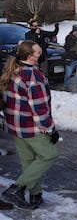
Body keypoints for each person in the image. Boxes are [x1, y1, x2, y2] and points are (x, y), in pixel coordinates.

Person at [0, 40, 59, 209]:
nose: (41, 55)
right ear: (30, 57)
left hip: (14, 125)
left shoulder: (14, 69)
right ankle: (16, 189)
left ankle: (35, 195)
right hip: (30, 126)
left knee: (29, 161)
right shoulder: (33, 76)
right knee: (49, 155)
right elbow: (39, 109)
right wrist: (50, 130)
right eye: (39, 53)